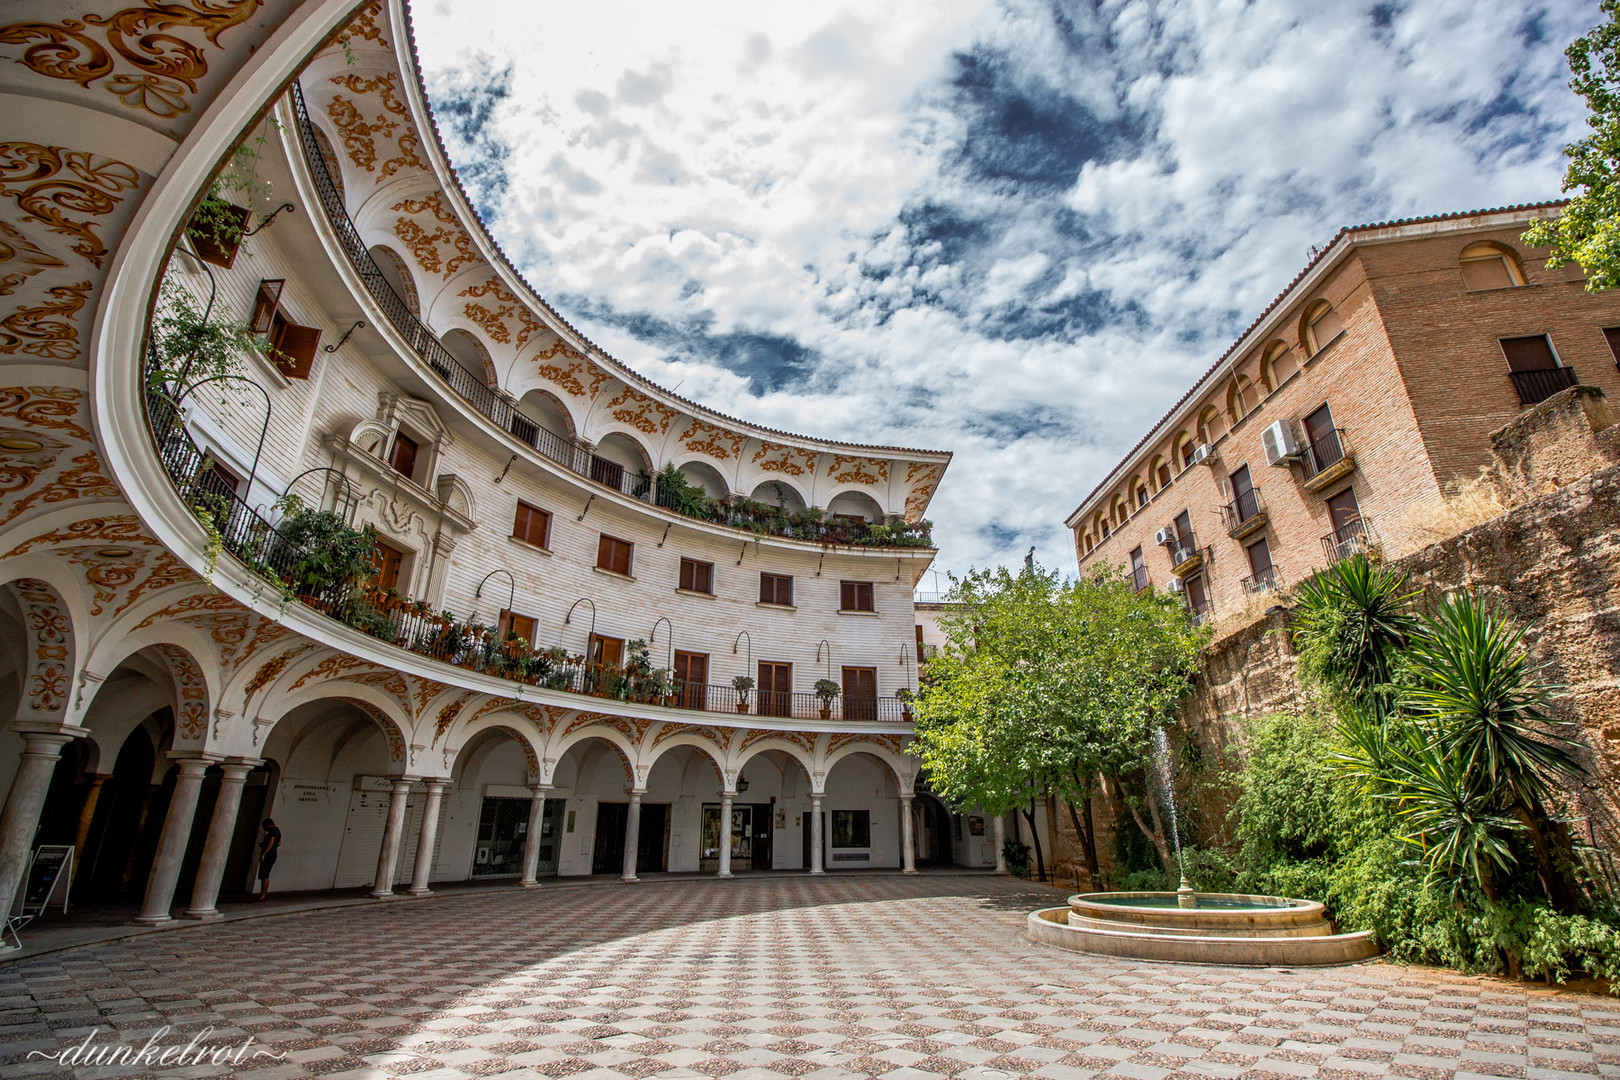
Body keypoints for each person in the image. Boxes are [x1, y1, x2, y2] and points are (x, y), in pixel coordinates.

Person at [256, 818, 281, 901]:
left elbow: (271, 842)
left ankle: (263, 894)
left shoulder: (272, 831)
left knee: (264, 875)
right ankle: (263, 894)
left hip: (269, 855)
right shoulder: (278, 831)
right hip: (273, 854)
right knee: (265, 874)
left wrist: (264, 854)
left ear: (268, 825)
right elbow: (279, 843)